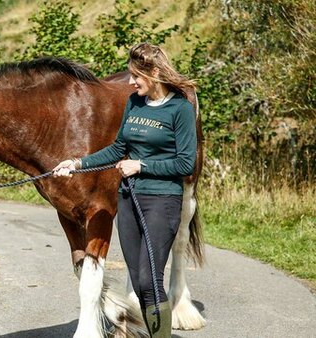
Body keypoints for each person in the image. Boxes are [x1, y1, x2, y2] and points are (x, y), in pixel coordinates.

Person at [53, 42, 197, 338]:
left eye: (136, 76)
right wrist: (77, 163)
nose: (131, 82)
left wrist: (141, 166)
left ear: (154, 72)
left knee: (148, 280)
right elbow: (119, 148)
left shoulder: (179, 108)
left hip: (162, 200)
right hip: (129, 199)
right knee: (136, 275)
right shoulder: (134, 103)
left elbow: (185, 163)